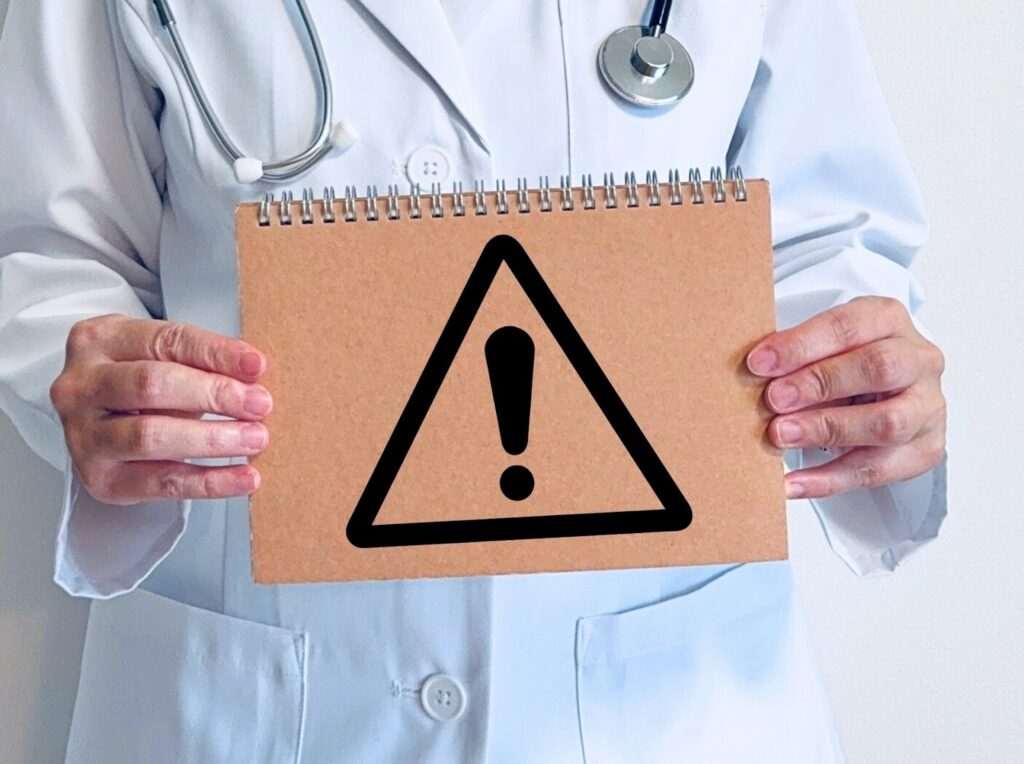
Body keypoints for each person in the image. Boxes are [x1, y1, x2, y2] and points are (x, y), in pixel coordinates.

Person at [0, 1, 947, 761]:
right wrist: (85, 381)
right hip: (266, 699)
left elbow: (826, 238)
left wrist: (857, 377)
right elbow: (50, 251)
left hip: (664, 700)